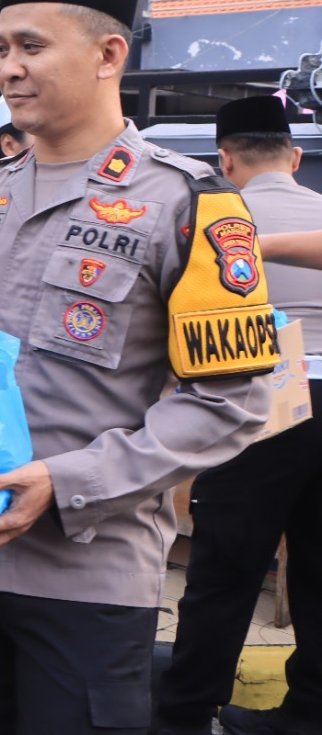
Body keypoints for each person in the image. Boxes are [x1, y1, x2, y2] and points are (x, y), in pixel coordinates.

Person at [0, 0, 277, 735]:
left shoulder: (189, 204)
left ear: (109, 53)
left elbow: (231, 402)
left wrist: (66, 481)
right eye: (1, 48)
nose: (7, 68)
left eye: (31, 46)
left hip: (86, 582)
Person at [155, 95, 322, 735]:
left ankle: (185, 712)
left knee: (225, 570)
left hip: (259, 406)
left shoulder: (213, 225)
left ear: (224, 160)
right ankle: (308, 716)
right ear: (296, 157)